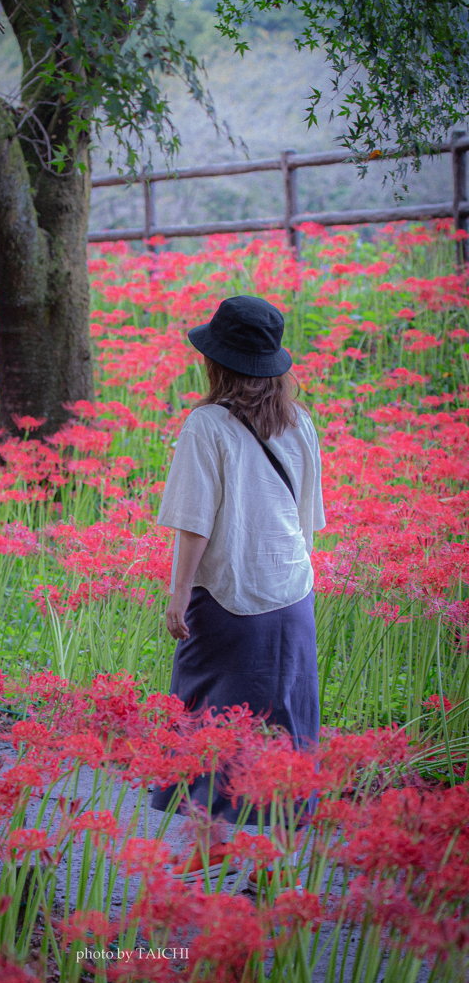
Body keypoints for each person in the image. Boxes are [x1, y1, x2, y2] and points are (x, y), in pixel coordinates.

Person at [150, 294, 325, 891]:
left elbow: (194, 522)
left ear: (217, 363)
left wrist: (178, 597)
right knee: (284, 726)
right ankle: (271, 863)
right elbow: (308, 520)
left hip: (228, 598)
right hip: (292, 595)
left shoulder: (205, 426)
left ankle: (209, 846)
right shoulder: (300, 421)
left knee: (205, 721)